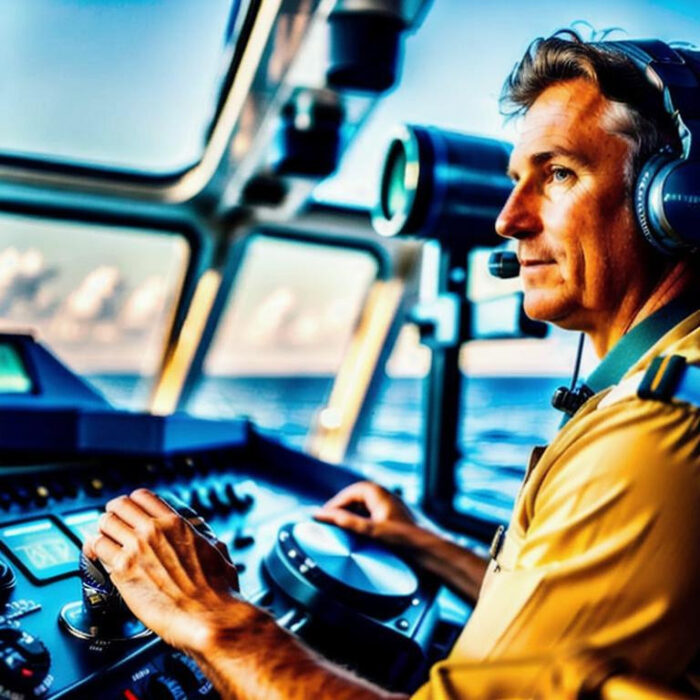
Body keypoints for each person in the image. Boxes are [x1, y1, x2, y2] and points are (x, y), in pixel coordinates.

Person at [84, 32, 700, 698]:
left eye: (558, 175)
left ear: (676, 202)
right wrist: (420, 541)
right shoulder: (658, 387)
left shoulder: (653, 435)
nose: (507, 219)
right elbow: (551, 610)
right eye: (515, 179)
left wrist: (213, 619)